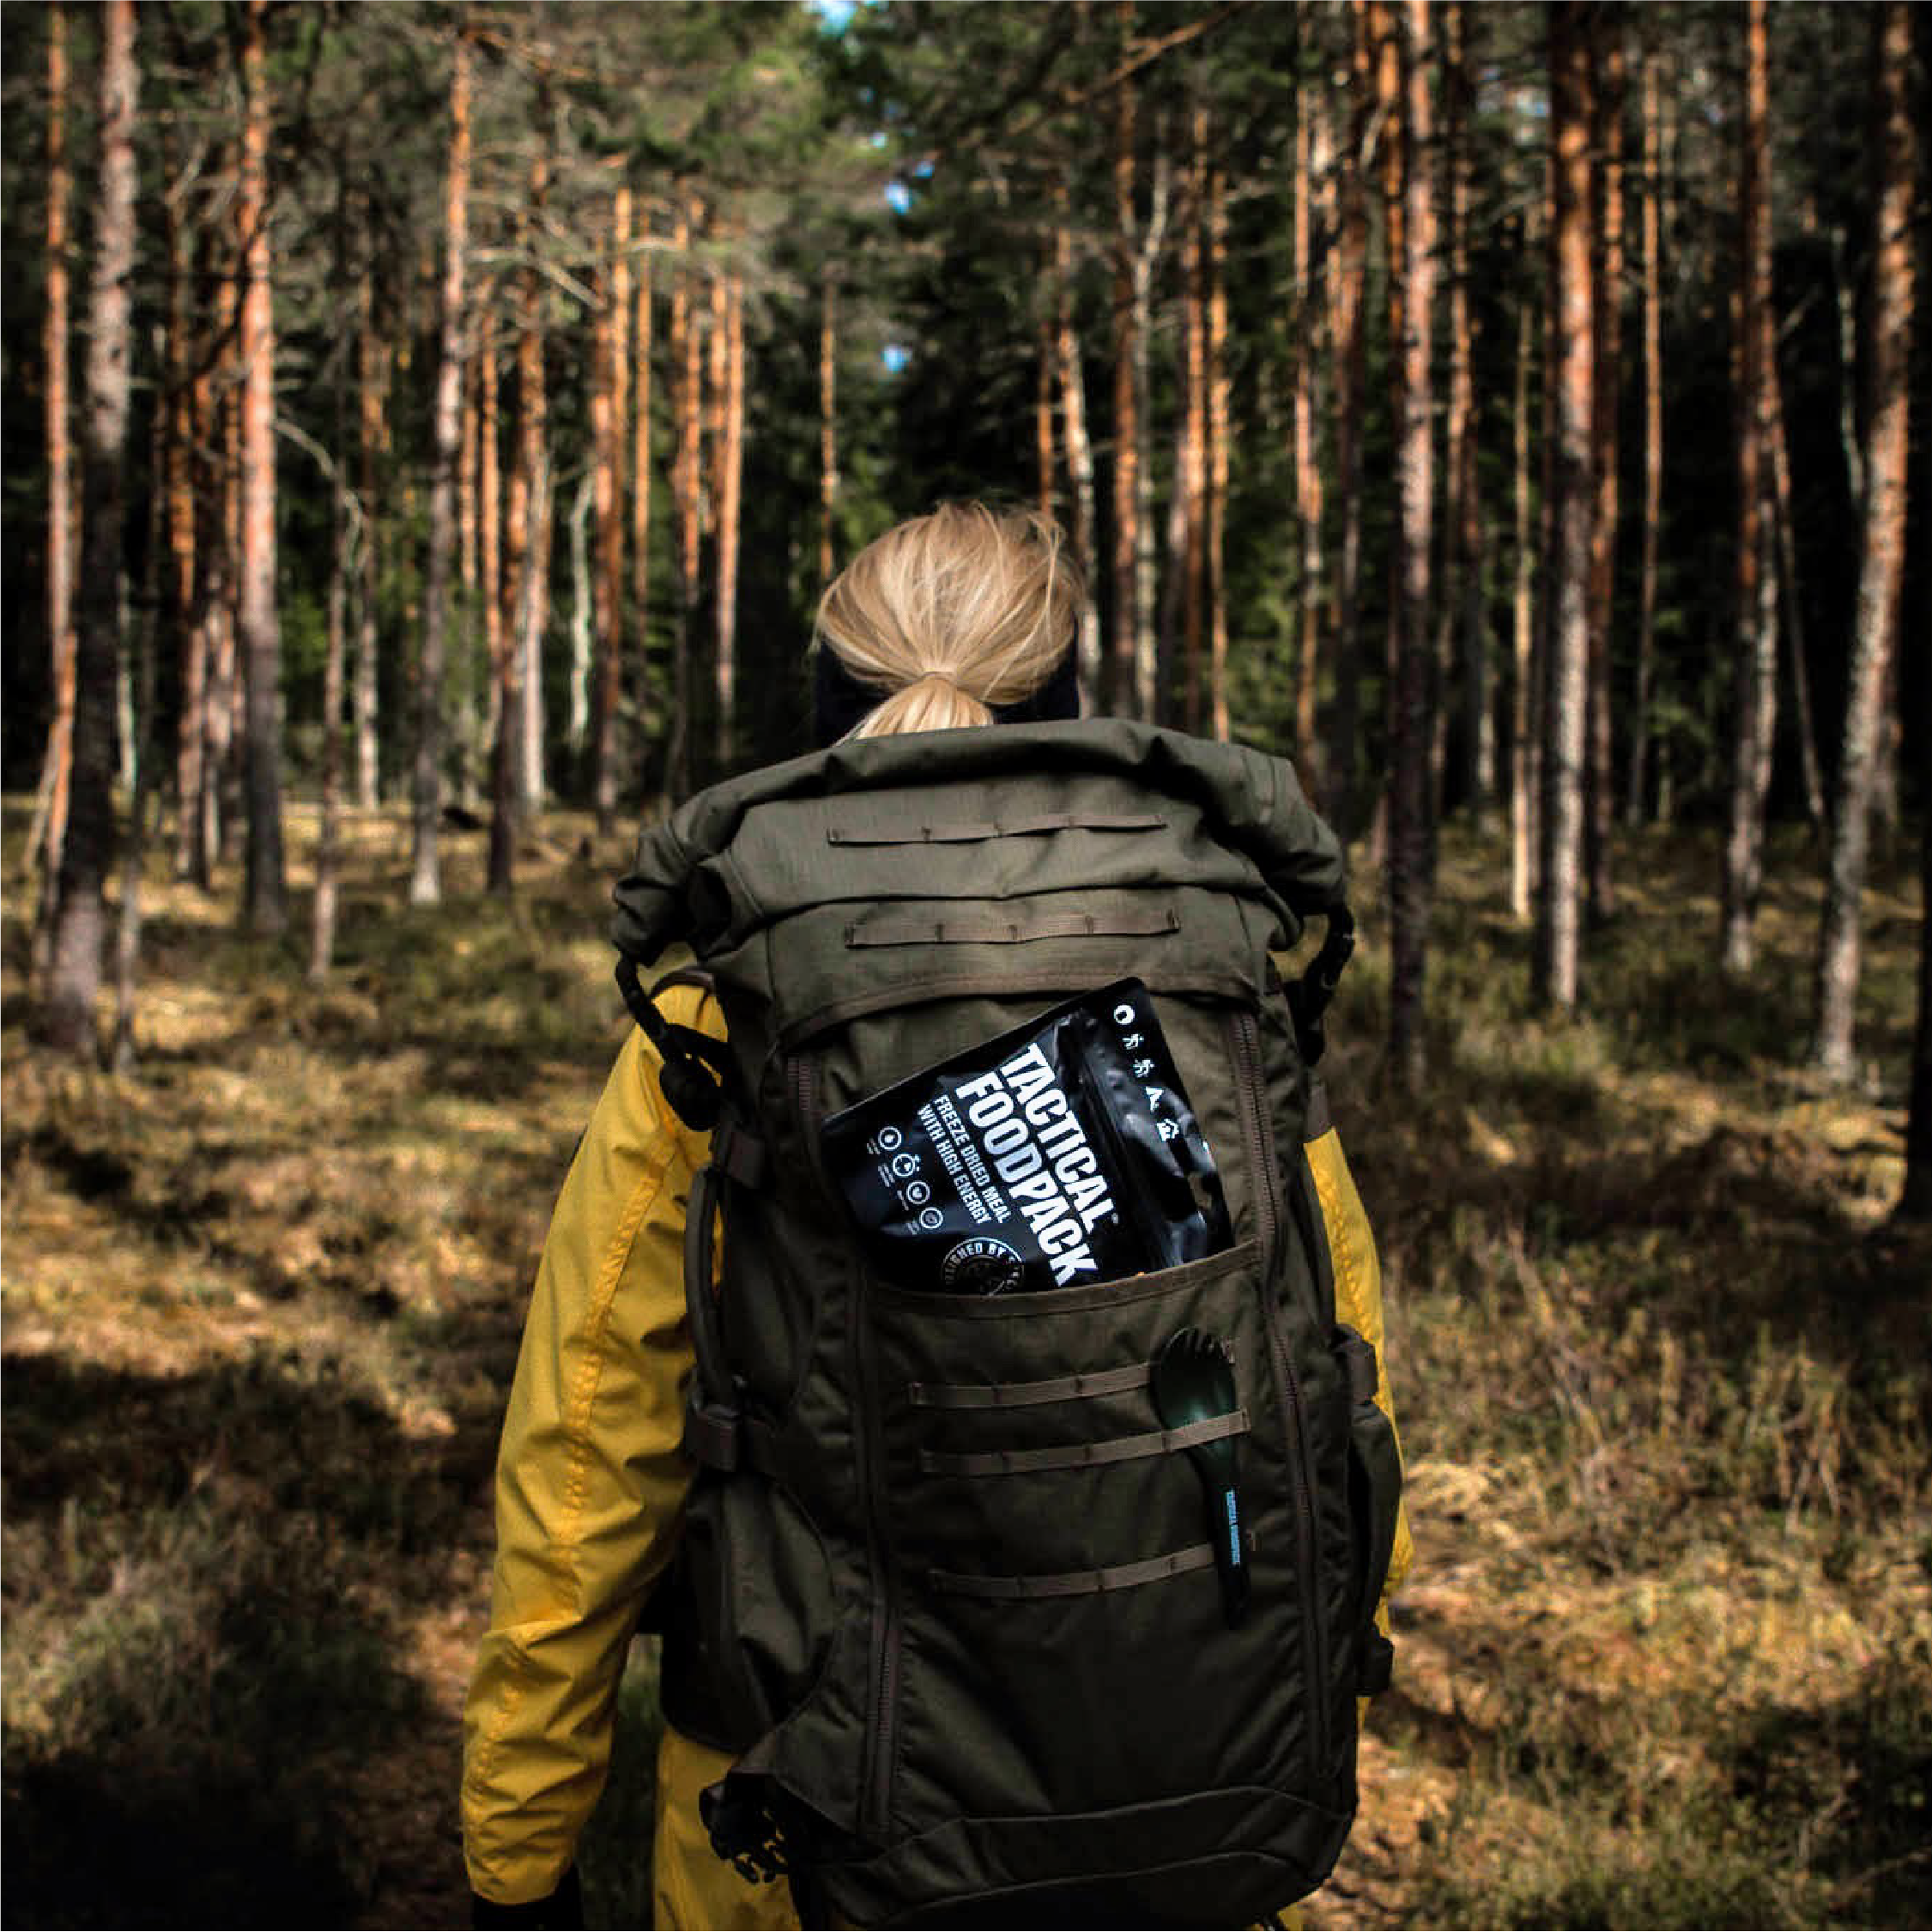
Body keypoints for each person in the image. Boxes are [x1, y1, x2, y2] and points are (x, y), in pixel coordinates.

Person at [461, 502, 1411, 1929]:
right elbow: (1343, 1365)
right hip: (1177, 1792)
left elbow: (587, 1450)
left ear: (827, 707)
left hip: (798, 1823)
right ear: (1064, 709)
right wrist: (1311, 1668)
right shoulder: (1217, 971)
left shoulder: (732, 1001)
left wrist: (517, 1846)